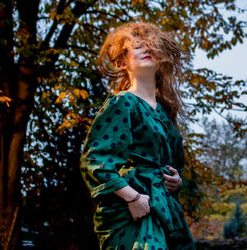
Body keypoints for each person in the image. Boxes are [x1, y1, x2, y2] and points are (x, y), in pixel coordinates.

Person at [79, 21, 196, 250]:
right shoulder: (122, 102)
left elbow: (174, 164)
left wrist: (177, 181)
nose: (145, 48)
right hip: (134, 213)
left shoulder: (164, 113)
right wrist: (132, 198)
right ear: (122, 62)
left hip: (167, 211)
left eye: (148, 44)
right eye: (136, 46)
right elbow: (94, 161)